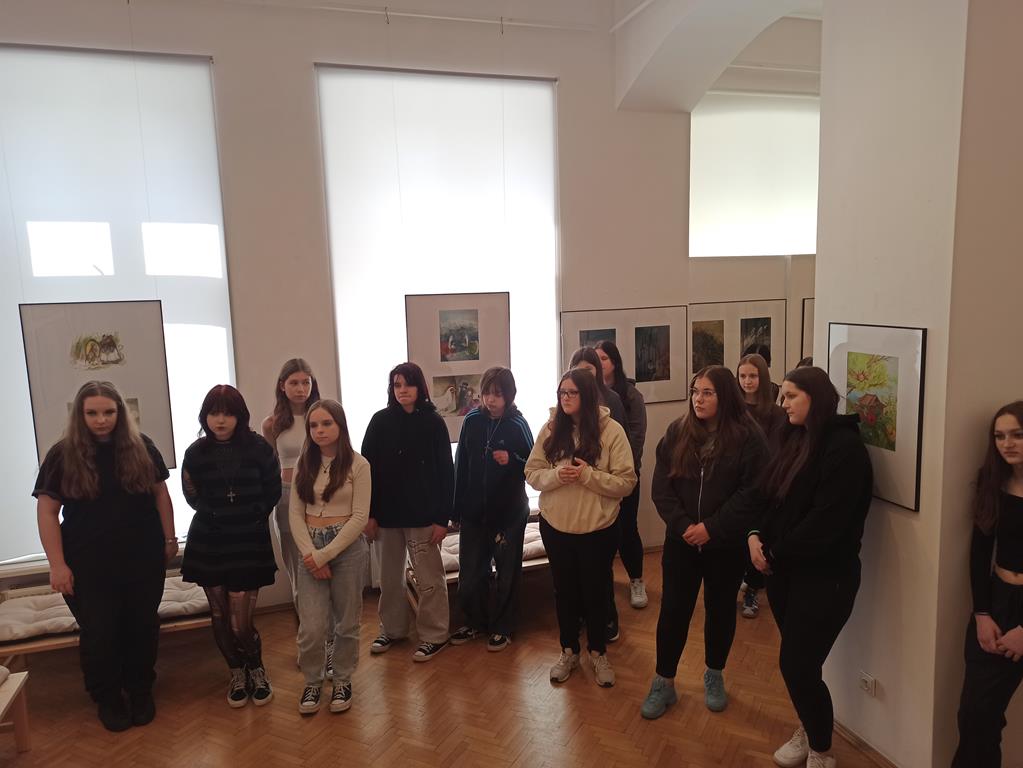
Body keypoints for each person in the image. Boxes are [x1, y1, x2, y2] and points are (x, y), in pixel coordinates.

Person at [33, 381, 176, 732]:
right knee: (100, 634)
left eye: (109, 412)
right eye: (92, 413)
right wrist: (57, 565)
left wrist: (170, 538)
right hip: (87, 565)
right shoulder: (61, 455)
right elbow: (47, 512)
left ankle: (140, 691)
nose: (101, 420)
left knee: (142, 627)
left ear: (120, 412)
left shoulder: (143, 447)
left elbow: (161, 494)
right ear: (80, 415)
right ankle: (108, 697)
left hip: (142, 559)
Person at [748, 367, 872, 768]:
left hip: (826, 578)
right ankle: (810, 725)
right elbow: (770, 497)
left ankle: (821, 749)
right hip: (786, 574)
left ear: (814, 398)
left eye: (790, 396)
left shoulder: (845, 449)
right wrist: (754, 535)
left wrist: (773, 553)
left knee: (797, 665)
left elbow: (825, 523)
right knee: (801, 664)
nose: (782, 404)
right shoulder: (795, 437)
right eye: (782, 395)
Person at [640, 366, 768, 719]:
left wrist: (712, 528)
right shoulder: (677, 431)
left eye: (707, 392)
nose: (698, 398)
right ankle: (664, 681)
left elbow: (751, 494)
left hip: (724, 543)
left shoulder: (749, 438)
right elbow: (661, 487)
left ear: (725, 396)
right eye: (695, 391)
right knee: (673, 610)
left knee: (721, 609)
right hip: (681, 541)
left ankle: (714, 674)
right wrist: (684, 526)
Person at [525, 369, 636, 687]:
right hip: (556, 526)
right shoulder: (551, 428)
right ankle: (569, 651)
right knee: (564, 592)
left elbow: (627, 482)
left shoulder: (611, 431)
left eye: (572, 393)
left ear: (587, 395)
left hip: (598, 529)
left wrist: (588, 476)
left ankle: (598, 652)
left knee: (597, 593)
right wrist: (556, 476)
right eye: (562, 393)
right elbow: (531, 472)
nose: (565, 398)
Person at [180, 385, 281, 708]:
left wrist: (250, 515)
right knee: (220, 615)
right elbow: (191, 494)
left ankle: (257, 668)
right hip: (209, 541)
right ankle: (237, 672)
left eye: (227, 413)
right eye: (213, 413)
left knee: (240, 623)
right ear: (204, 417)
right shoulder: (195, 453)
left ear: (240, 416)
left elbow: (273, 490)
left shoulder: (259, 448)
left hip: (248, 541)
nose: (220, 420)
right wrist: (217, 515)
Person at [361, 362, 454, 662]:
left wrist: (442, 519)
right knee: (389, 580)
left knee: (429, 580)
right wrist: (368, 514)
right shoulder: (379, 421)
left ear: (419, 387)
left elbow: (446, 472)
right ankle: (392, 630)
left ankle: (435, 635)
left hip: (424, 517)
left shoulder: (434, 423)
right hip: (386, 517)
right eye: (397, 385)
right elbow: (366, 472)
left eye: (408, 384)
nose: (402, 390)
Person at [952, 401, 1023, 767]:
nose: (1007, 443)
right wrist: (981, 613)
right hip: (997, 600)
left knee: (983, 717)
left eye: (1017, 435)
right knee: (975, 715)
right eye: (999, 436)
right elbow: (980, 552)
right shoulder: (992, 480)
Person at [289, 399, 369, 715]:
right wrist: (312, 555)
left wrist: (326, 555)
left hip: (346, 549)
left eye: (326, 424)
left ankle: (342, 680)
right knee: (311, 627)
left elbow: (360, 517)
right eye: (313, 425)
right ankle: (313, 681)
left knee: (346, 623)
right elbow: (295, 514)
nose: (319, 430)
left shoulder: (359, 465)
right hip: (310, 547)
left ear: (340, 426)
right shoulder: (303, 464)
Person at [450, 367, 535, 652]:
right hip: (474, 513)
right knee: (470, 574)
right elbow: (460, 466)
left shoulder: (518, 424)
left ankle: (503, 627)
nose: (491, 400)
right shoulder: (471, 420)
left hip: (509, 514)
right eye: (487, 393)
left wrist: (511, 460)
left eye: (498, 394)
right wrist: (456, 509)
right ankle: (475, 622)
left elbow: (534, 467)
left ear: (509, 396)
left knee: (508, 573)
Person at [595, 341, 649, 613]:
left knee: (628, 529)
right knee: (602, 533)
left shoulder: (631, 396)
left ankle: (636, 580)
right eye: (596, 359)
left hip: (624, 475)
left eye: (604, 358)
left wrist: (619, 470)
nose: (600, 363)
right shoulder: (589, 395)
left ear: (614, 362)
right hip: (596, 479)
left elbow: (636, 439)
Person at [261, 358, 321, 601]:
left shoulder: (321, 417)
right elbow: (270, 465)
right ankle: (303, 616)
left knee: (320, 557)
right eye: (294, 383)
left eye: (306, 382)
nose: (300, 389)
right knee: (296, 562)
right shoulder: (272, 424)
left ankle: (326, 621)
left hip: (320, 493)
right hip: (287, 494)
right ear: (282, 386)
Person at [735, 353, 787, 619]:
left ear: (763, 378)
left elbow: (775, 451)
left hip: (764, 484)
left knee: (758, 538)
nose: (747, 381)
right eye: (743, 376)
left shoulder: (776, 413)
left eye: (753, 376)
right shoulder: (733, 409)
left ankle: (753, 588)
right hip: (736, 482)